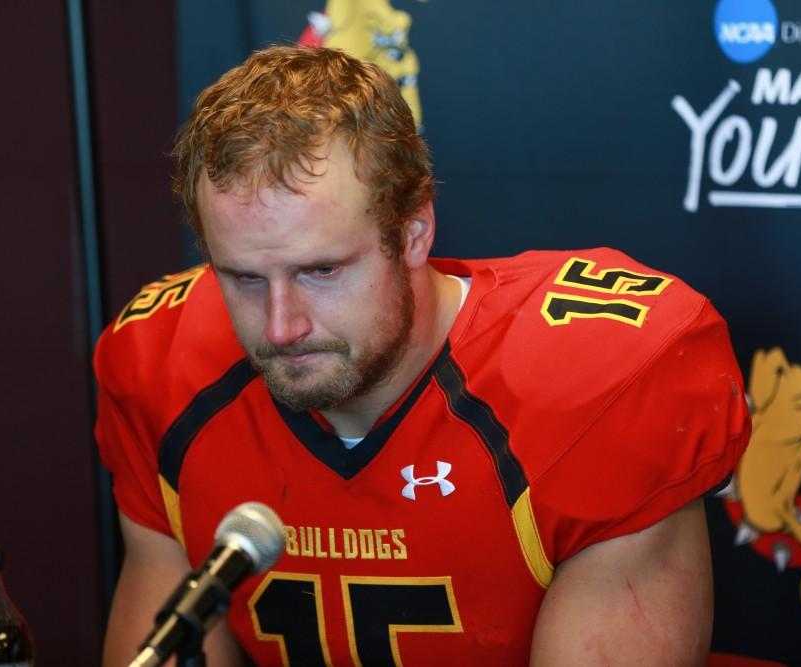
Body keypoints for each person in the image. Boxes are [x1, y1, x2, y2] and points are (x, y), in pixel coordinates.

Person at [95, 45, 750, 666]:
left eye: (321, 270)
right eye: (242, 278)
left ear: (413, 231)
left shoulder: (599, 380)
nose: (281, 324)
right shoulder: (166, 366)